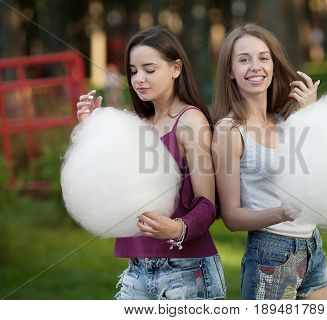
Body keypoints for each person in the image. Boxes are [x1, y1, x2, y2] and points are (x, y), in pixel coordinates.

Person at [76, 26, 226, 300]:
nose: (139, 79)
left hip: (187, 270)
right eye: (133, 71)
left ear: (175, 68)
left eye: (149, 69)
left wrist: (178, 228)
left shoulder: (190, 121)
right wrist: (92, 131)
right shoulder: (137, 125)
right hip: (136, 271)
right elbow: (112, 191)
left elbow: (208, 202)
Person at [211, 23, 327, 300]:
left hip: (311, 246)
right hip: (271, 253)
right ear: (230, 72)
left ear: (273, 64)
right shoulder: (230, 130)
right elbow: (232, 217)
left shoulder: (285, 120)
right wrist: (282, 213)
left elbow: (323, 171)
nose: (255, 66)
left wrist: (311, 115)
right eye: (244, 60)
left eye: (263, 58)